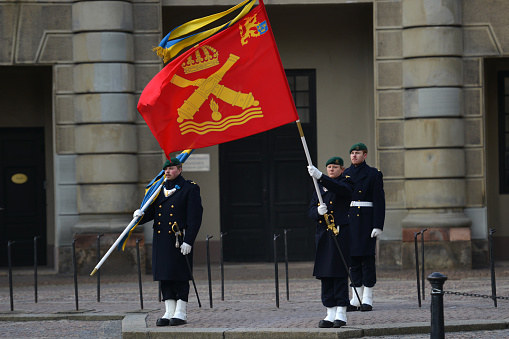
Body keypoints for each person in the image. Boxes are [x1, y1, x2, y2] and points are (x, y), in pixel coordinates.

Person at [134, 157, 203, 326]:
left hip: (179, 240)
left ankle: (181, 312)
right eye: (166, 169)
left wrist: (189, 241)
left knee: (179, 276)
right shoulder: (158, 189)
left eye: (171, 169)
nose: (167, 172)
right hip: (162, 240)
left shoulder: (189, 189)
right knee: (164, 277)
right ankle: (169, 311)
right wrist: (139, 216)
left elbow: (194, 218)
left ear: (179, 170)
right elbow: (152, 213)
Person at [307, 156, 354, 328]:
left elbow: (342, 190)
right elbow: (310, 210)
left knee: (339, 272)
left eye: (335, 167)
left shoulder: (346, 183)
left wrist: (320, 176)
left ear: (342, 169)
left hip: (339, 232)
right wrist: (318, 212)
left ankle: (341, 312)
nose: (331, 169)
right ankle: (330, 312)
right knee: (325, 273)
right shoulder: (319, 187)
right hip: (324, 234)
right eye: (328, 167)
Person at [343, 143, 385, 312]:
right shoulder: (346, 174)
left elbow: (379, 201)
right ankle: (355, 297)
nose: (354, 156)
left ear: (365, 155)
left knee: (367, 260)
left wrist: (378, 225)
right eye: (352, 153)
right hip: (351, 220)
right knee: (353, 261)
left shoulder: (373, 174)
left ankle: (367, 297)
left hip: (367, 221)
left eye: (357, 153)